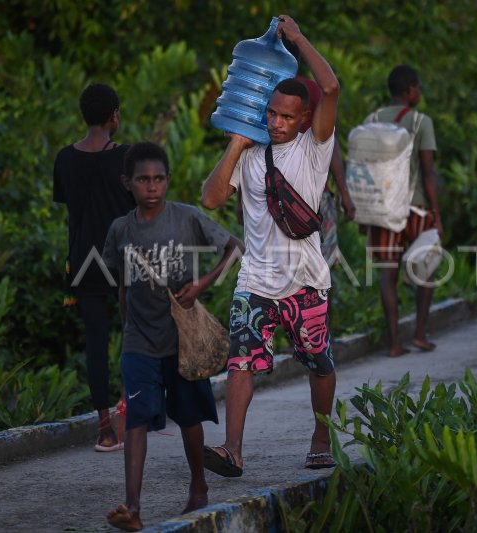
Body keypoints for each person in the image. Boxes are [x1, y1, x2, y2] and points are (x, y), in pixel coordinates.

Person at [201, 15, 339, 474]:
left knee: (318, 362)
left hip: (306, 280)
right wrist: (236, 145)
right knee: (241, 361)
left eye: (286, 117)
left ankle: (321, 434)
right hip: (256, 278)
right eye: (271, 113)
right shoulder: (251, 152)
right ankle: (232, 449)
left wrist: (299, 38)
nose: (276, 123)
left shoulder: (313, 149)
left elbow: (332, 88)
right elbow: (212, 197)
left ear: (304, 120)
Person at [102, 141, 243, 531]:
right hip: (139, 341)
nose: (152, 187)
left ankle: (199, 487)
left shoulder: (187, 217)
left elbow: (234, 248)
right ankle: (132, 507)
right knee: (135, 420)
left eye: (159, 179)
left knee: (188, 416)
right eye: (143, 180)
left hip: (184, 341)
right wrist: (125, 326)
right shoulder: (121, 229)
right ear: (127, 183)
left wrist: (202, 283)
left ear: (167, 181)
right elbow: (122, 286)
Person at [53, 83, 135, 453]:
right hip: (124, 257)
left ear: (84, 116)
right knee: (135, 334)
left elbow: (69, 207)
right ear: (114, 115)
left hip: (83, 259)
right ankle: (129, 410)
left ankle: (105, 431)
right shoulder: (127, 158)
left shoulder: (64, 158)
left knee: (96, 343)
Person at [364, 65, 443, 357]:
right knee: (426, 270)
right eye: (418, 88)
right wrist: (437, 214)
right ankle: (420, 335)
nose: (419, 93)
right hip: (417, 207)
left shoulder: (370, 121)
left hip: (381, 209)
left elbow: (363, 169)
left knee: (388, 275)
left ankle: (394, 343)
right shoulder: (421, 122)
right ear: (410, 90)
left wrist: (364, 214)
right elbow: (428, 172)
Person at [283, 38, 356, 263]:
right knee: (321, 266)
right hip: (312, 194)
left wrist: (242, 200)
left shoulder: (263, 94)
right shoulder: (311, 90)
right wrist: (344, 193)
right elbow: (329, 143)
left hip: (277, 196)